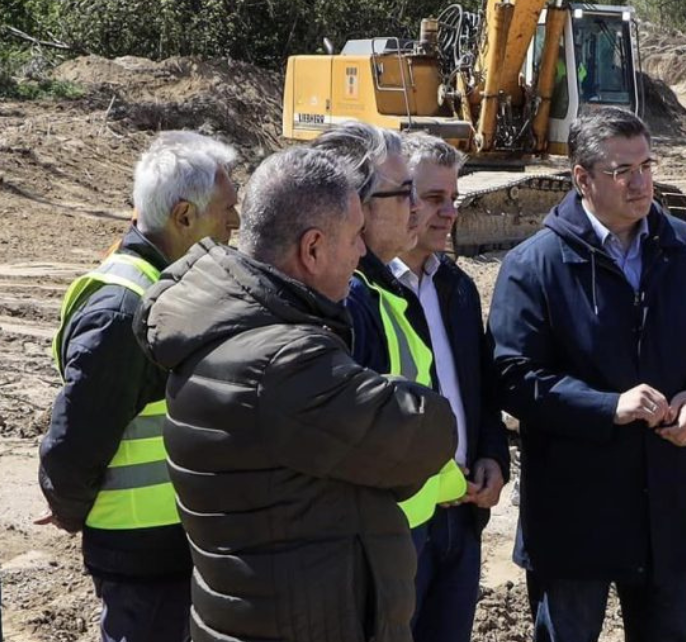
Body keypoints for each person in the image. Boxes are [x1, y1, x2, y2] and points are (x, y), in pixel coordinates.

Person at [133, 145, 457, 642]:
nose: (362, 253)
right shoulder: (284, 364)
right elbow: (428, 436)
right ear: (313, 249)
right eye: (354, 237)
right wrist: (391, 390)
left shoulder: (219, 329)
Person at [488, 106, 686, 642]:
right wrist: (609, 407)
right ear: (582, 179)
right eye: (622, 171)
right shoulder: (535, 265)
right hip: (573, 519)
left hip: (665, 514)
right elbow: (513, 376)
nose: (641, 183)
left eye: (646, 166)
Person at [38, 131, 238, 642]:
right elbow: (75, 441)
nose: (235, 223)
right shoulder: (124, 310)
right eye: (226, 210)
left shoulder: (170, 289)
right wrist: (68, 507)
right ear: (184, 216)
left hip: (172, 550)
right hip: (144, 561)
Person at [311, 123, 468, 535]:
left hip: (405, 527)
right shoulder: (350, 302)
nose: (416, 209)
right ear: (355, 206)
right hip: (378, 533)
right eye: (404, 193)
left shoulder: (380, 292)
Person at [393, 132, 511, 642]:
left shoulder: (457, 286)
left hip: (462, 519)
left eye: (454, 198)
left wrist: (492, 456)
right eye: (434, 198)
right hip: (402, 525)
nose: (450, 212)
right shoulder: (363, 291)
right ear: (399, 199)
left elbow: (478, 388)